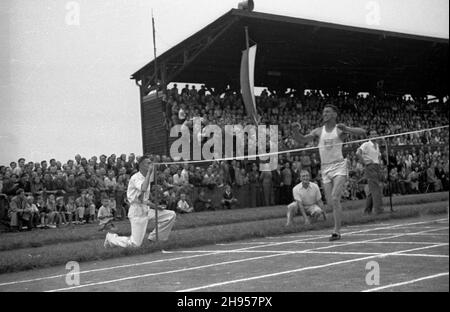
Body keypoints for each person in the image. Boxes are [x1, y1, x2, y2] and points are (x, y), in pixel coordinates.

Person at [293, 104, 366, 241]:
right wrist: (295, 131)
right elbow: (302, 140)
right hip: (325, 169)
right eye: (323, 112)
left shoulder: (339, 129)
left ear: (334, 115)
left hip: (339, 166)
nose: (324, 114)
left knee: (334, 197)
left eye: (327, 112)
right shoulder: (318, 131)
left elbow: (362, 132)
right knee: (331, 203)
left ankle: (336, 231)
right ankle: (337, 226)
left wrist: (348, 129)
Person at [104, 156, 176, 248]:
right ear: (141, 166)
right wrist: (150, 172)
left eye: (151, 163)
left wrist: (156, 207)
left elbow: (143, 199)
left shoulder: (146, 177)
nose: (151, 165)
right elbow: (143, 189)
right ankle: (111, 237)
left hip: (146, 209)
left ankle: (155, 238)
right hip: (137, 212)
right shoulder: (136, 178)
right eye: (148, 163)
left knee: (170, 215)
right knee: (135, 244)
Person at [356, 130, 384, 215]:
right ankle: (378, 210)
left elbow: (378, 156)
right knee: (376, 189)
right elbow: (358, 153)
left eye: (375, 134)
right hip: (370, 167)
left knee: (373, 190)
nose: (374, 135)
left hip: (377, 167)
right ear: (369, 136)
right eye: (372, 134)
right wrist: (365, 162)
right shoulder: (366, 144)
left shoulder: (377, 145)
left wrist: (380, 166)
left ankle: (367, 211)